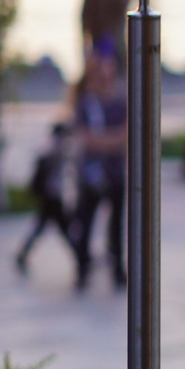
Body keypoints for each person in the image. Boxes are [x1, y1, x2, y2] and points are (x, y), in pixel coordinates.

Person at [68, 51, 129, 290]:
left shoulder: (120, 101)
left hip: (115, 172)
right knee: (86, 220)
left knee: (117, 223)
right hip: (91, 174)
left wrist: (103, 141)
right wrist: (109, 141)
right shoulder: (86, 103)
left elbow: (125, 135)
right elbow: (85, 138)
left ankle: (117, 267)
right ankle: (82, 267)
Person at [14, 121, 73, 273]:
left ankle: (23, 254)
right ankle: (80, 255)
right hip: (52, 198)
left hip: (51, 198)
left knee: (44, 228)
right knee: (64, 230)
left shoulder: (52, 152)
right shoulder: (55, 153)